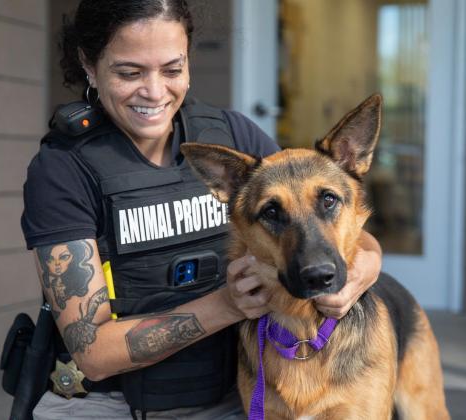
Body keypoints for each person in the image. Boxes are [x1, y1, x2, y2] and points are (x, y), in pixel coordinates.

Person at [20, 1, 382, 419]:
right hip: (109, 403)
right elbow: (93, 353)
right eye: (129, 72)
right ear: (89, 63)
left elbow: (321, 218)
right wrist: (228, 305)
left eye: (173, 69)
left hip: (233, 392)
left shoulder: (230, 136)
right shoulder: (64, 169)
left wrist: (361, 271)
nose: (155, 92)